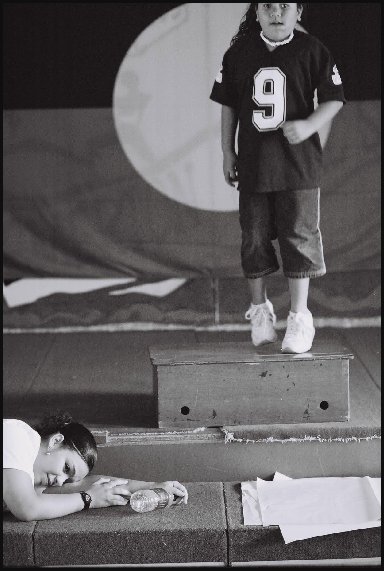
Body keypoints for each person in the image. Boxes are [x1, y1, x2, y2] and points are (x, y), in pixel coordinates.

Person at [210, 3, 345, 353]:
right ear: (257, 12)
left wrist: (309, 124)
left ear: (299, 11)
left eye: (286, 5)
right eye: (268, 5)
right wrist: (228, 151)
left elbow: (334, 98)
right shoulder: (238, 53)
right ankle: (260, 311)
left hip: (299, 166)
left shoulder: (313, 50)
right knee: (253, 237)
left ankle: (299, 317)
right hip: (255, 165)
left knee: (298, 237)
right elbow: (228, 105)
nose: (277, 11)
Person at [3, 412, 188, 521]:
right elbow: (27, 508)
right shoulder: (15, 435)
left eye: (67, 478)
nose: (60, 481)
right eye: (66, 468)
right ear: (56, 441)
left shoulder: (32, 477)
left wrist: (150, 486)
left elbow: (96, 485)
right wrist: (87, 499)